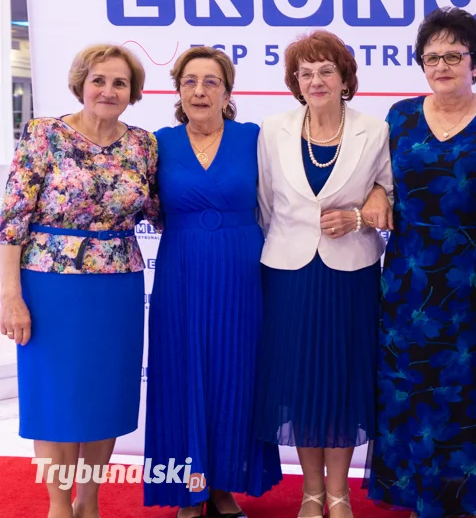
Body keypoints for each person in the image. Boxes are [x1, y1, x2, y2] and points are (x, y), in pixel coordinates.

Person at [363, 7, 476, 518]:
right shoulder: (399, 117)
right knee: (413, 389)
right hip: (411, 280)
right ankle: (421, 496)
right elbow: (376, 177)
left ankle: (474, 498)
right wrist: (376, 193)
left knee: (472, 388)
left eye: (454, 56)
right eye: (432, 57)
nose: (441, 65)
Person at [0, 44, 159, 518]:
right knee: (55, 401)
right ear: (81, 85)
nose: (108, 91)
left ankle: (89, 502)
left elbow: (161, 209)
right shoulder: (44, 134)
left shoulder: (144, 145)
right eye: (98, 80)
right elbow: (12, 220)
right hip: (49, 288)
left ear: (132, 92)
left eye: (119, 83)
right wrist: (10, 295)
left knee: (102, 397)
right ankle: (58, 506)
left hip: (118, 288)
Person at [253, 30, 392, 518]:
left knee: (342, 381)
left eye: (326, 71)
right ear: (295, 81)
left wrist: (357, 218)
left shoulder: (375, 130)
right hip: (288, 275)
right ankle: (311, 492)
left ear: (344, 78)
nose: (316, 80)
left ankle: (339, 492)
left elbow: (389, 196)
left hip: (350, 274)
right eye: (305, 72)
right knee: (300, 383)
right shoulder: (273, 129)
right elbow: (265, 205)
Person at [143, 46, 282, 518]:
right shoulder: (157, 143)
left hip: (242, 270)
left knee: (235, 374)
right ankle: (189, 490)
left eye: (211, 82)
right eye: (190, 81)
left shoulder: (254, 137)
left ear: (228, 92)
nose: (200, 91)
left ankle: (223, 488)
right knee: (180, 374)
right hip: (180, 271)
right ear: (178, 91)